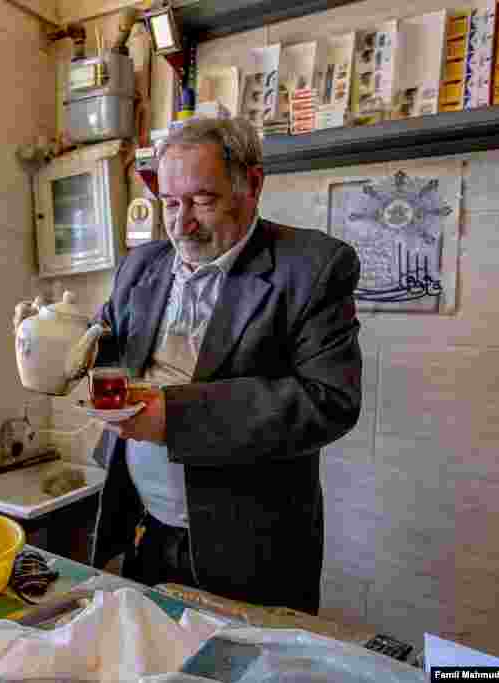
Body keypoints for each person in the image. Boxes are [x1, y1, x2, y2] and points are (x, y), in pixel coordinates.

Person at [88, 117, 362, 615]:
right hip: (144, 528)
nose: (181, 222)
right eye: (171, 203)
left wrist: (175, 415)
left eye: (202, 201)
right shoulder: (141, 265)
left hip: (250, 550)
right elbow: (107, 348)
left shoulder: (312, 267)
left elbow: (329, 401)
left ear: (252, 185)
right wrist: (59, 337)